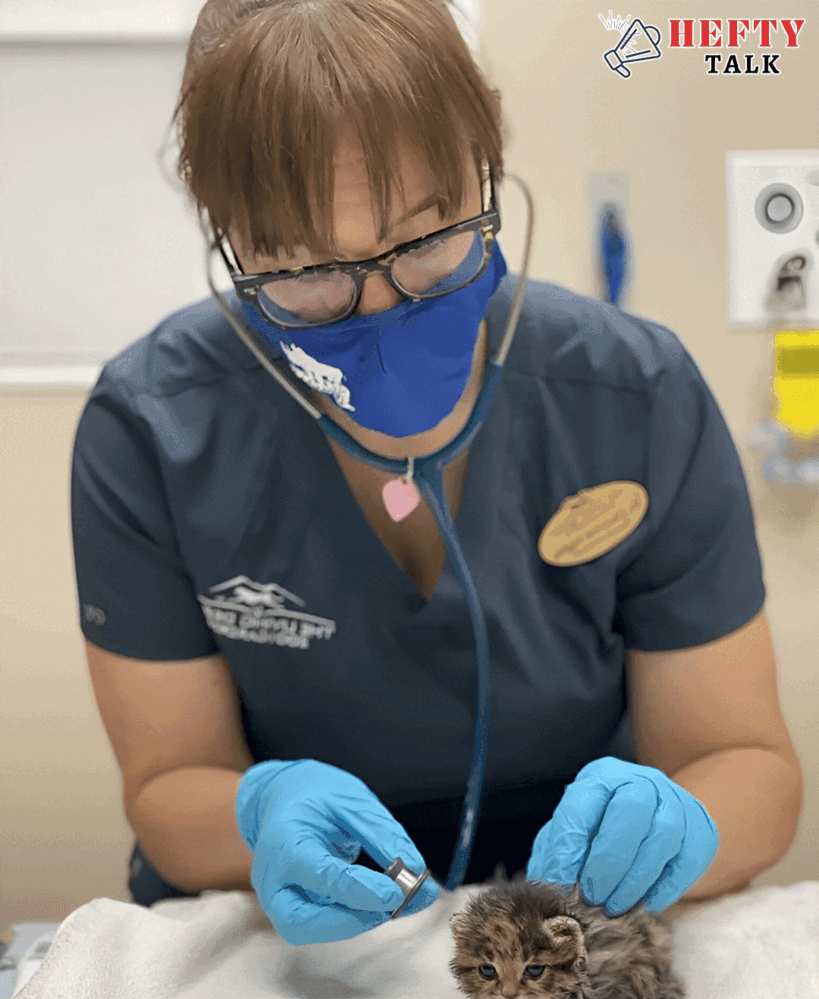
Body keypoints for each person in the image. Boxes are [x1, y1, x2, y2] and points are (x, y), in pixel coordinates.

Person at [71, 0, 803, 947]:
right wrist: (257, 817)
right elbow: (168, 791)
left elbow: (746, 764)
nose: (378, 307)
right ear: (230, 245)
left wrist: (687, 827)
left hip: (571, 928)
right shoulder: (151, 429)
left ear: (486, 159)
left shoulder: (634, 396)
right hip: (292, 946)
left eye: (425, 240)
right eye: (303, 269)